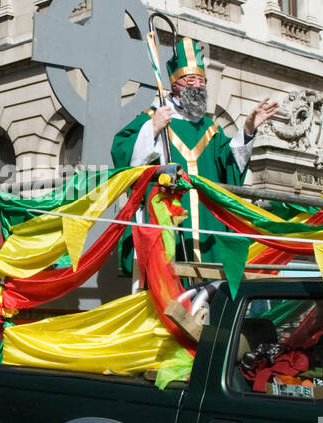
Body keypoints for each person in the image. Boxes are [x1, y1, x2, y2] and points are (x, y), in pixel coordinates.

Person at [111, 37, 277, 262]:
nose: (197, 86)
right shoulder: (155, 117)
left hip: (209, 226)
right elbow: (123, 154)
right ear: (174, 84)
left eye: (201, 80)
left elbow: (229, 165)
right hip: (168, 222)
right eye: (189, 80)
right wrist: (153, 129)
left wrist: (247, 130)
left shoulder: (210, 129)